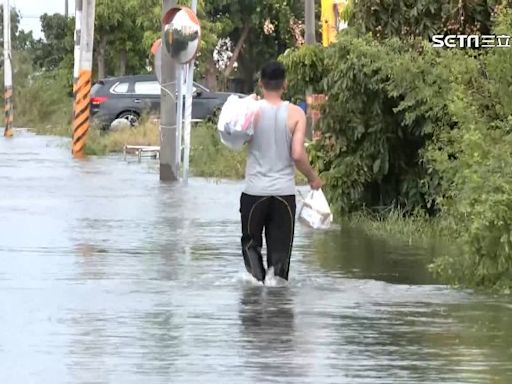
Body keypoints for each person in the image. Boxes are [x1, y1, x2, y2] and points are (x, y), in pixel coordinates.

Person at [240, 60, 323, 284]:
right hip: (283, 195)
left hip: (254, 192)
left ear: (260, 84)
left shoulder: (250, 112)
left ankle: (255, 298)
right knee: (280, 259)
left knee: (251, 247)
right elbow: (297, 154)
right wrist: (313, 178)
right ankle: (279, 310)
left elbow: (235, 138)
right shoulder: (296, 114)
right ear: (284, 84)